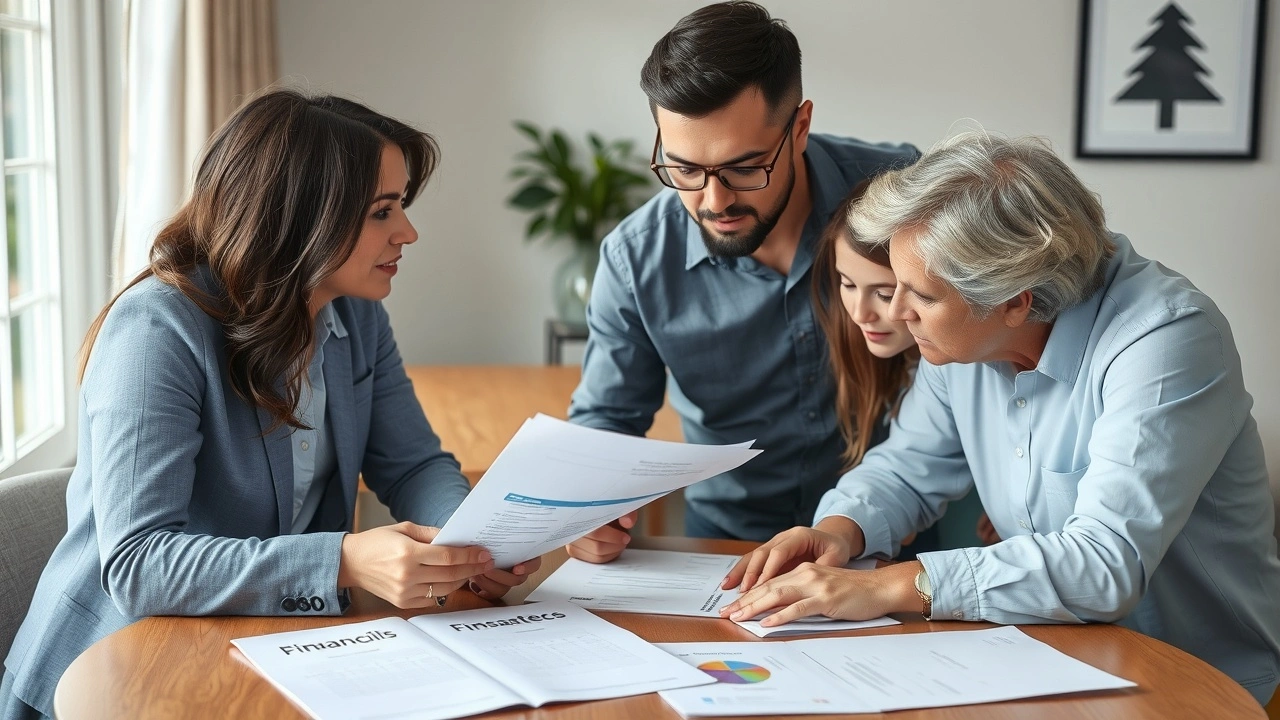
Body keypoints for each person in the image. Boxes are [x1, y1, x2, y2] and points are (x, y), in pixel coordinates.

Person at [1, 89, 541, 719]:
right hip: (122, 673)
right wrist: (343, 561)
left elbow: (413, 463)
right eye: (382, 212)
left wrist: (468, 543)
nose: (408, 232)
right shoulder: (157, 331)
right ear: (300, 217)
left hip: (273, 647)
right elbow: (139, 565)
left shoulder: (357, 316)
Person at [720, 131, 1280, 705]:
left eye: (921, 296)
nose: (896, 311)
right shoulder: (961, 338)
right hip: (1042, 659)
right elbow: (907, 469)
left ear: (1015, 300)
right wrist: (840, 531)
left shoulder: (1165, 339)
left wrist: (889, 584)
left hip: (1193, 684)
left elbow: (1104, 564)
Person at [566, 1, 917, 561]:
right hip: (723, 549)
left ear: (799, 128)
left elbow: (976, 359)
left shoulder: (905, 199)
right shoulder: (634, 261)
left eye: (744, 168)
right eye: (684, 169)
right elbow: (607, 420)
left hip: (892, 540)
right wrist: (587, 507)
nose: (714, 201)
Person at [813, 184, 998, 558]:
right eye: (847, 284)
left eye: (884, 293)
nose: (860, 314)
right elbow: (905, 471)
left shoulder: (971, 358)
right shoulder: (862, 354)